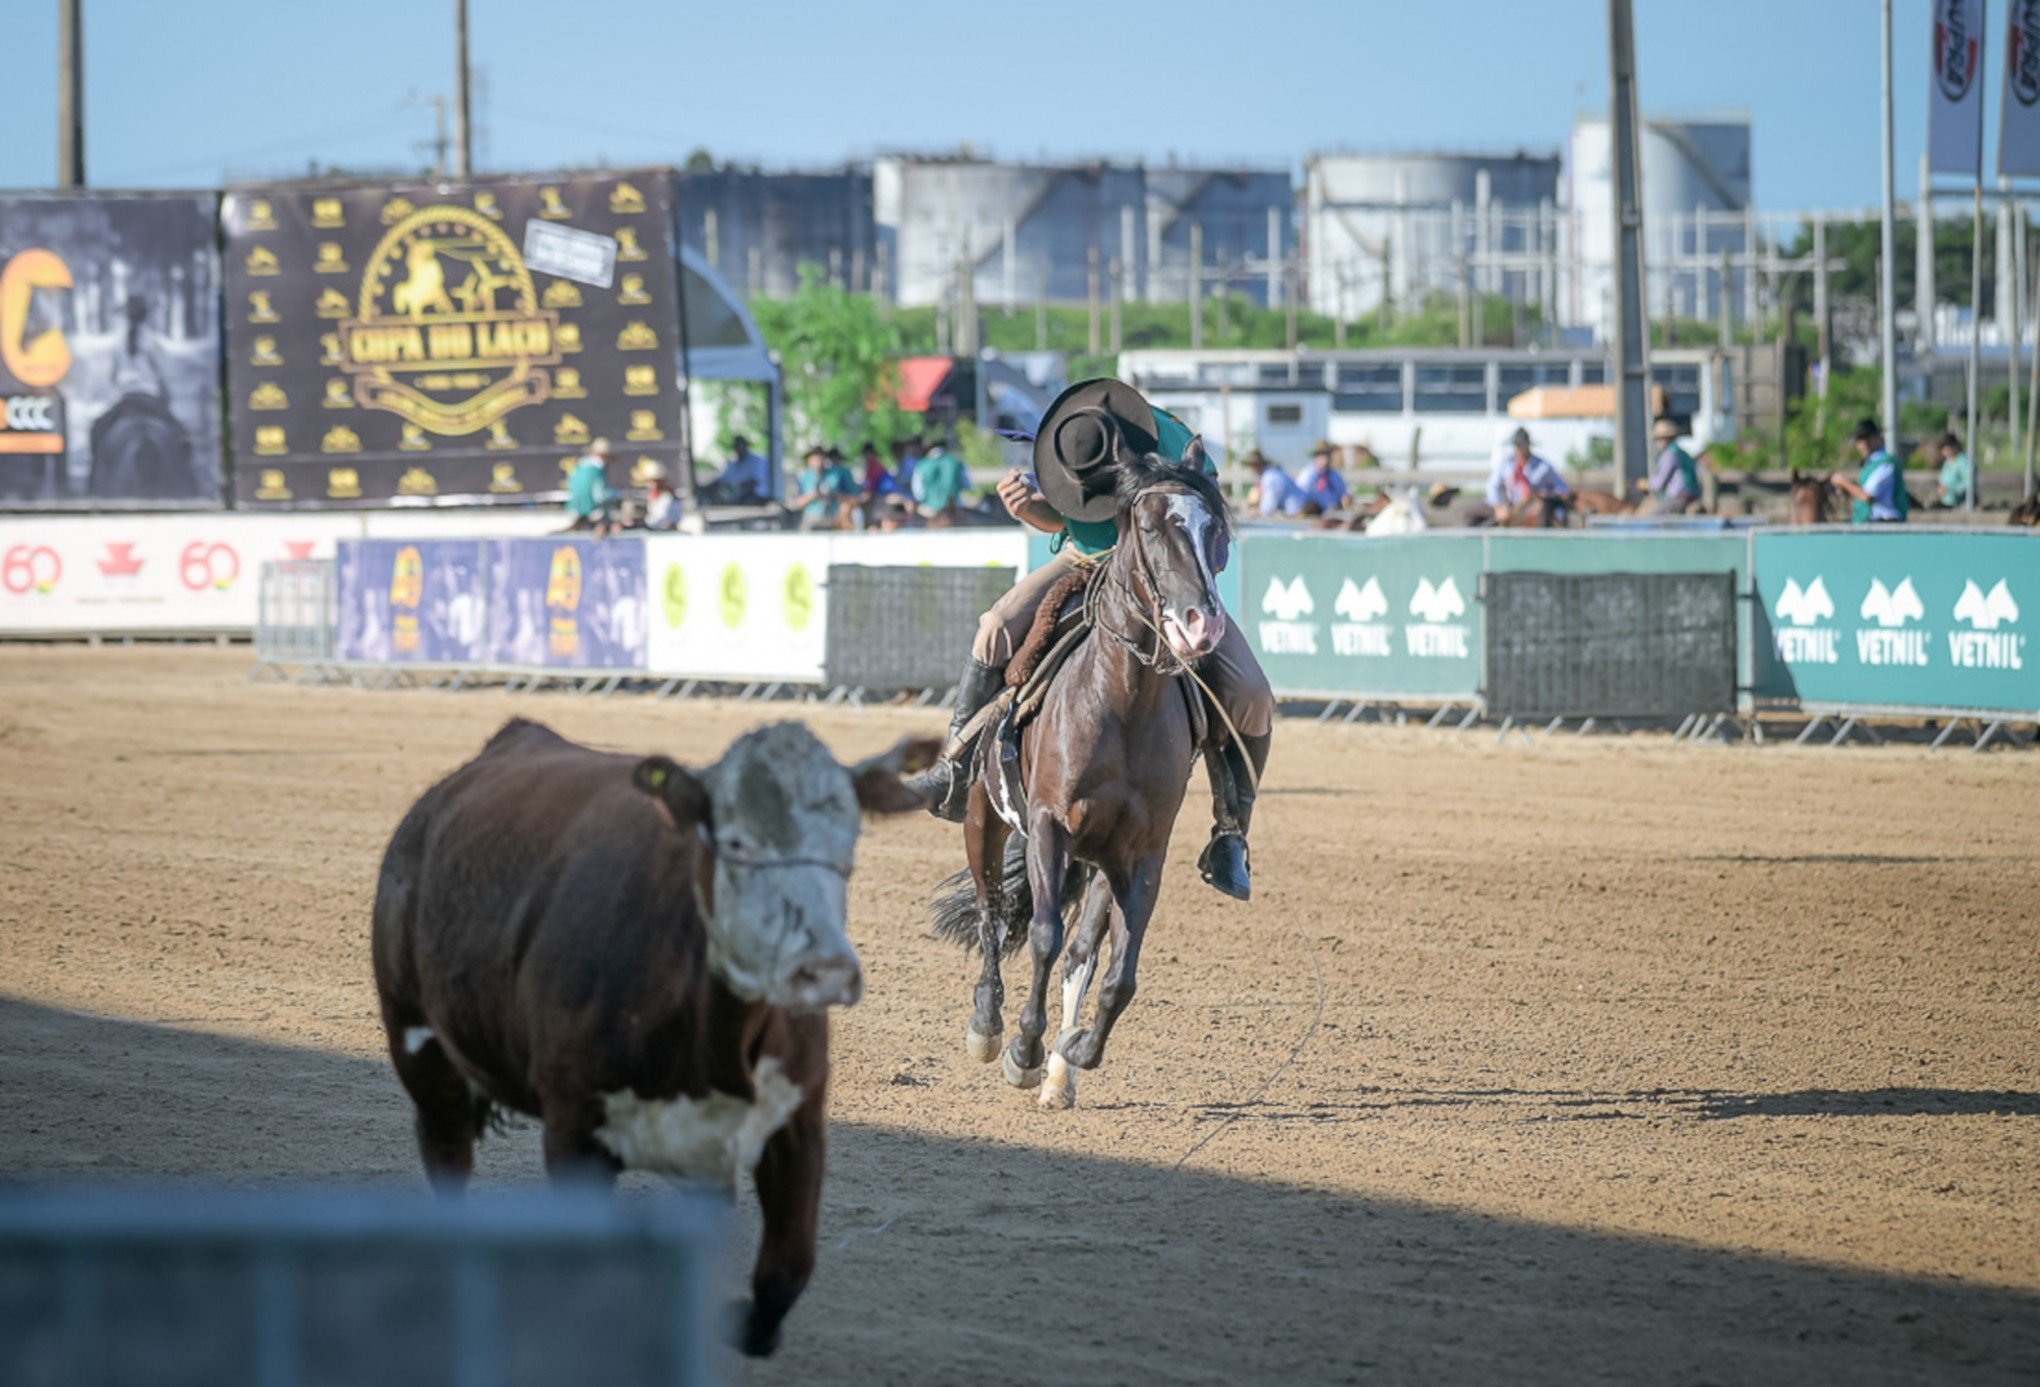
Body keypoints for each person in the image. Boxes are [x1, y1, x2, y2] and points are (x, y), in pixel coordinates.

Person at [908, 379, 1275, 900]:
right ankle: (954, 767)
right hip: (1083, 559)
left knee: (1253, 696)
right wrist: (1028, 509)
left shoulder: (1173, 442)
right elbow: (1067, 523)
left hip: (1165, 570)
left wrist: (1192, 577)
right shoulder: (1066, 444)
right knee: (994, 626)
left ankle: (1231, 834)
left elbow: (1211, 527)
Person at [1829, 417, 1909, 524]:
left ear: (1877, 438)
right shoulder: (1871, 465)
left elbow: (1867, 496)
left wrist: (1844, 483)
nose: (1863, 444)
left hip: (1886, 523)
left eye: (1867, 439)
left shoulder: (1886, 463)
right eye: (1859, 440)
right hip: (1872, 521)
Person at [1484, 426, 1571, 523]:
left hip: (1532, 504)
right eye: (1518, 446)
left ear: (1528, 446)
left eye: (1522, 446)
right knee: (1493, 521)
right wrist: (1499, 506)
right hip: (1510, 506)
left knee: (1556, 515)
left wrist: (1547, 494)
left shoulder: (1542, 466)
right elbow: (1492, 485)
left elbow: (1562, 487)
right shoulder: (1506, 463)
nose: (1520, 449)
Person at [790, 445, 856, 530]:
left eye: (820, 458)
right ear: (809, 460)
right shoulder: (803, 477)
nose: (818, 462)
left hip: (832, 517)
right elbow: (798, 503)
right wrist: (812, 496)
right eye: (815, 459)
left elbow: (850, 497)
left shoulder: (835, 475)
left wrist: (834, 495)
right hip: (811, 518)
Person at [913, 434, 971, 526]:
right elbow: (967, 484)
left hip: (930, 510)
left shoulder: (921, 464)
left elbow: (918, 493)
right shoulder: (957, 462)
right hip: (953, 509)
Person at [1647, 418, 1701, 513]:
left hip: (1679, 498)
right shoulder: (1682, 453)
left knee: (1651, 522)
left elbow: (1660, 483)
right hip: (1694, 497)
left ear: (1665, 439)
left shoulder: (1670, 455)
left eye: (1658, 439)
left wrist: (1647, 484)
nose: (1657, 443)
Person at [565, 437, 616, 535]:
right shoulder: (598, 469)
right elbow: (599, 497)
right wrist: (615, 495)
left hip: (573, 511)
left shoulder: (580, 467)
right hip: (592, 513)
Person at [704, 434, 772, 504]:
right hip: (739, 497)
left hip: (758, 497)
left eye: (741, 445)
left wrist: (735, 488)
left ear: (746, 446)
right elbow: (721, 480)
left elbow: (753, 482)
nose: (739, 448)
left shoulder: (757, 461)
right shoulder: (733, 464)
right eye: (737, 446)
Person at [1293, 441, 1350, 516]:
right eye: (1323, 455)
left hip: (1334, 512)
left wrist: (1346, 499)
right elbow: (1301, 495)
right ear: (1316, 457)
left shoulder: (1334, 474)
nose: (1327, 458)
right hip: (1315, 513)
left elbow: (1343, 493)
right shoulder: (1308, 474)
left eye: (1328, 455)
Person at [1244, 449, 1301, 516]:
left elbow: (1267, 509)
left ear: (1260, 464)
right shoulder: (1272, 473)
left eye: (1254, 465)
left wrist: (1252, 514)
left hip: (1297, 513)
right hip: (1296, 511)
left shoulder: (1269, 478)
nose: (1252, 469)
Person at [1934, 431, 1973, 508]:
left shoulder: (1963, 461)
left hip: (1960, 504)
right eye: (1943, 447)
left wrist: (1949, 489)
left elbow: (1969, 483)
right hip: (1947, 502)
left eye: (1947, 447)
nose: (1945, 450)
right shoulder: (1947, 463)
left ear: (1955, 446)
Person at [642, 460, 681, 530]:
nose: (649, 485)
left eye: (653, 481)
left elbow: (659, 519)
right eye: (648, 481)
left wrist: (642, 522)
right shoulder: (651, 497)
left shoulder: (667, 498)